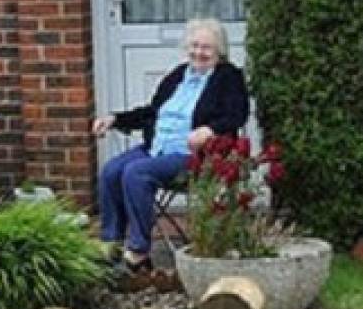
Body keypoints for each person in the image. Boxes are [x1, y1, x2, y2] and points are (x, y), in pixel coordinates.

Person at [92, 18, 250, 273]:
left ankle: (139, 251)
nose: (199, 52)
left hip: (194, 157)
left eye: (206, 48)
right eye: (195, 45)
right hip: (157, 149)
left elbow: (236, 114)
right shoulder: (179, 75)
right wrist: (114, 119)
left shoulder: (228, 77)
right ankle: (111, 245)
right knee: (111, 171)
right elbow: (152, 112)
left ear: (219, 51)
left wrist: (210, 130)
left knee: (136, 172)